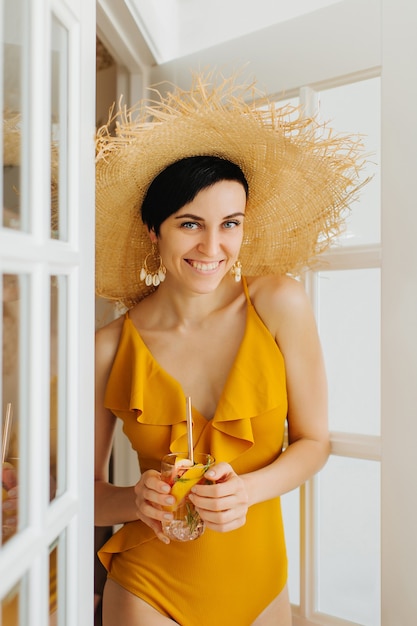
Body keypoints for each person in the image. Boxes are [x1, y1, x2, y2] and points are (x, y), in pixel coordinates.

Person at [94, 72, 366, 626]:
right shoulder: (106, 349)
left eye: (230, 224)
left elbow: (313, 442)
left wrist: (249, 490)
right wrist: (135, 499)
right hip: (149, 590)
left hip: (262, 586)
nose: (212, 248)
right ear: (154, 229)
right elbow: (86, 496)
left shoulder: (278, 303)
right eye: (189, 223)